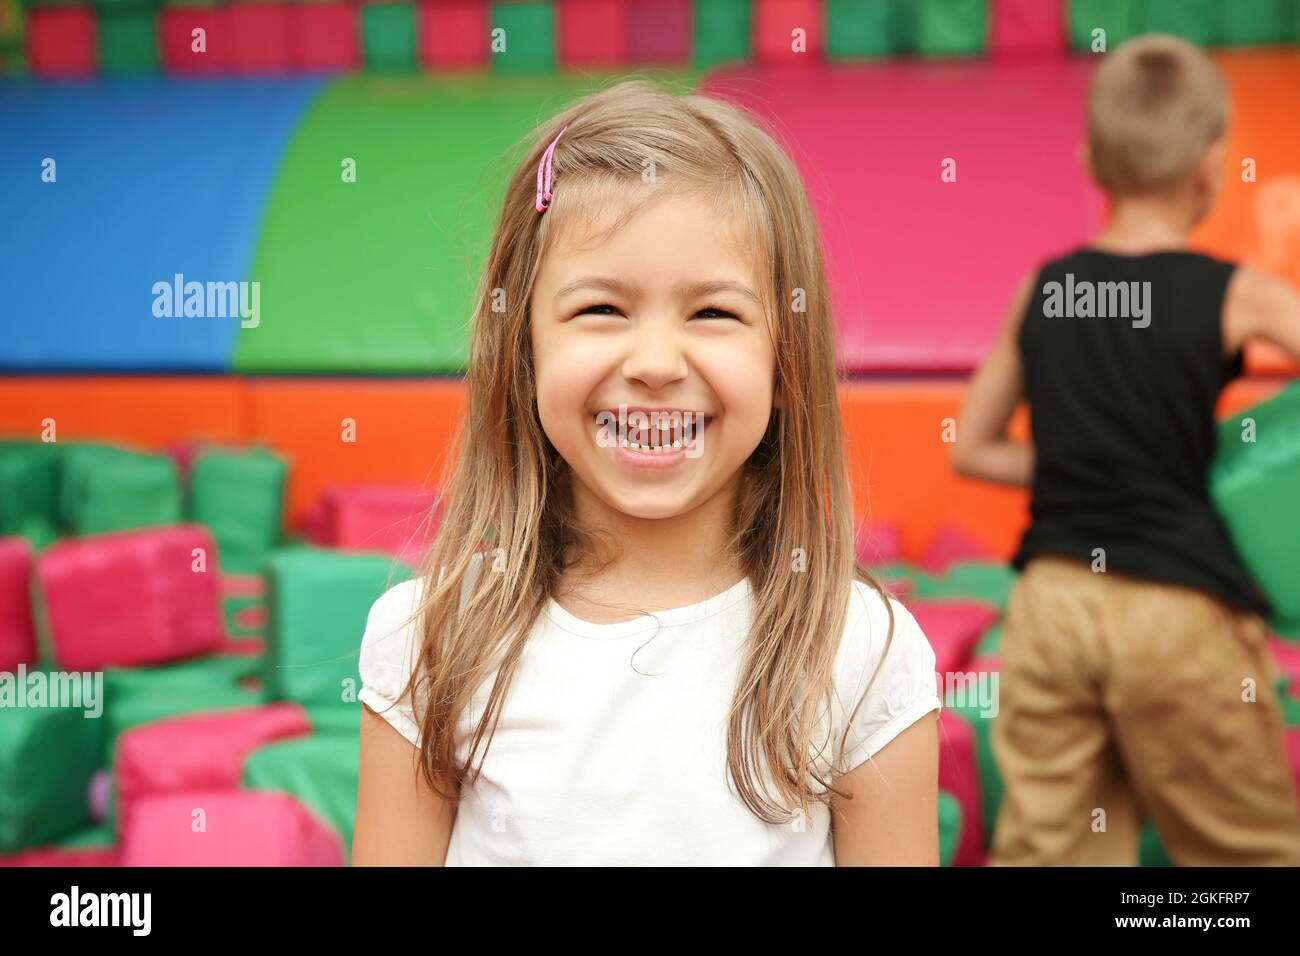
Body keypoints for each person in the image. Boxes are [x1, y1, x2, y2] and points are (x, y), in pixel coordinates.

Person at [352, 79, 941, 866]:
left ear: (783, 359)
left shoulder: (860, 652)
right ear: (523, 350)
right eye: (601, 309)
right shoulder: (428, 640)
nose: (657, 363)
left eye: (713, 313)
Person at [954, 34, 1300, 865]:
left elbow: (971, 448)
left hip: (1052, 602)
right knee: (1244, 851)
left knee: (1051, 849)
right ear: (1212, 166)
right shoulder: (1235, 292)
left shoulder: (1046, 289)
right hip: (1176, 604)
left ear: (1089, 162)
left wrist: (1086, 465)